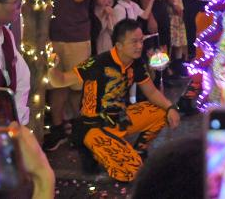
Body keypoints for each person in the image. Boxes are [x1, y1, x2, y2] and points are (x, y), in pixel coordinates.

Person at [54, 19, 180, 182]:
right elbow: (61, 80)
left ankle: (138, 151)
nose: (139, 45)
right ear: (119, 45)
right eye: (134, 42)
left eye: (141, 40)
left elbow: (152, 92)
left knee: (161, 111)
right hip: (93, 127)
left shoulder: (136, 63)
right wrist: (52, 67)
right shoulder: (98, 63)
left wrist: (171, 107)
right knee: (133, 172)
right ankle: (94, 151)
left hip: (119, 119)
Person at [45, 0, 100, 151]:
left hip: (77, 38)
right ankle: (58, 128)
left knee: (77, 87)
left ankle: (79, 128)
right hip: (53, 37)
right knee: (57, 86)